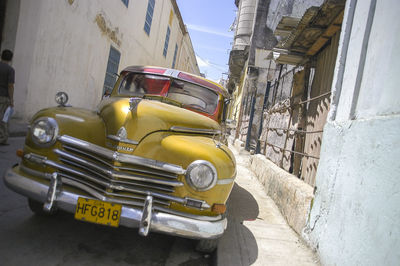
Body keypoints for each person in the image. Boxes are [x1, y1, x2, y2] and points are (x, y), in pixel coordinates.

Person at [0, 49, 15, 145]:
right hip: (3, 96)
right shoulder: (10, 70)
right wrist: (11, 99)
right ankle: (2, 138)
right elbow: (10, 85)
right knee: (3, 118)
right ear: (10, 59)